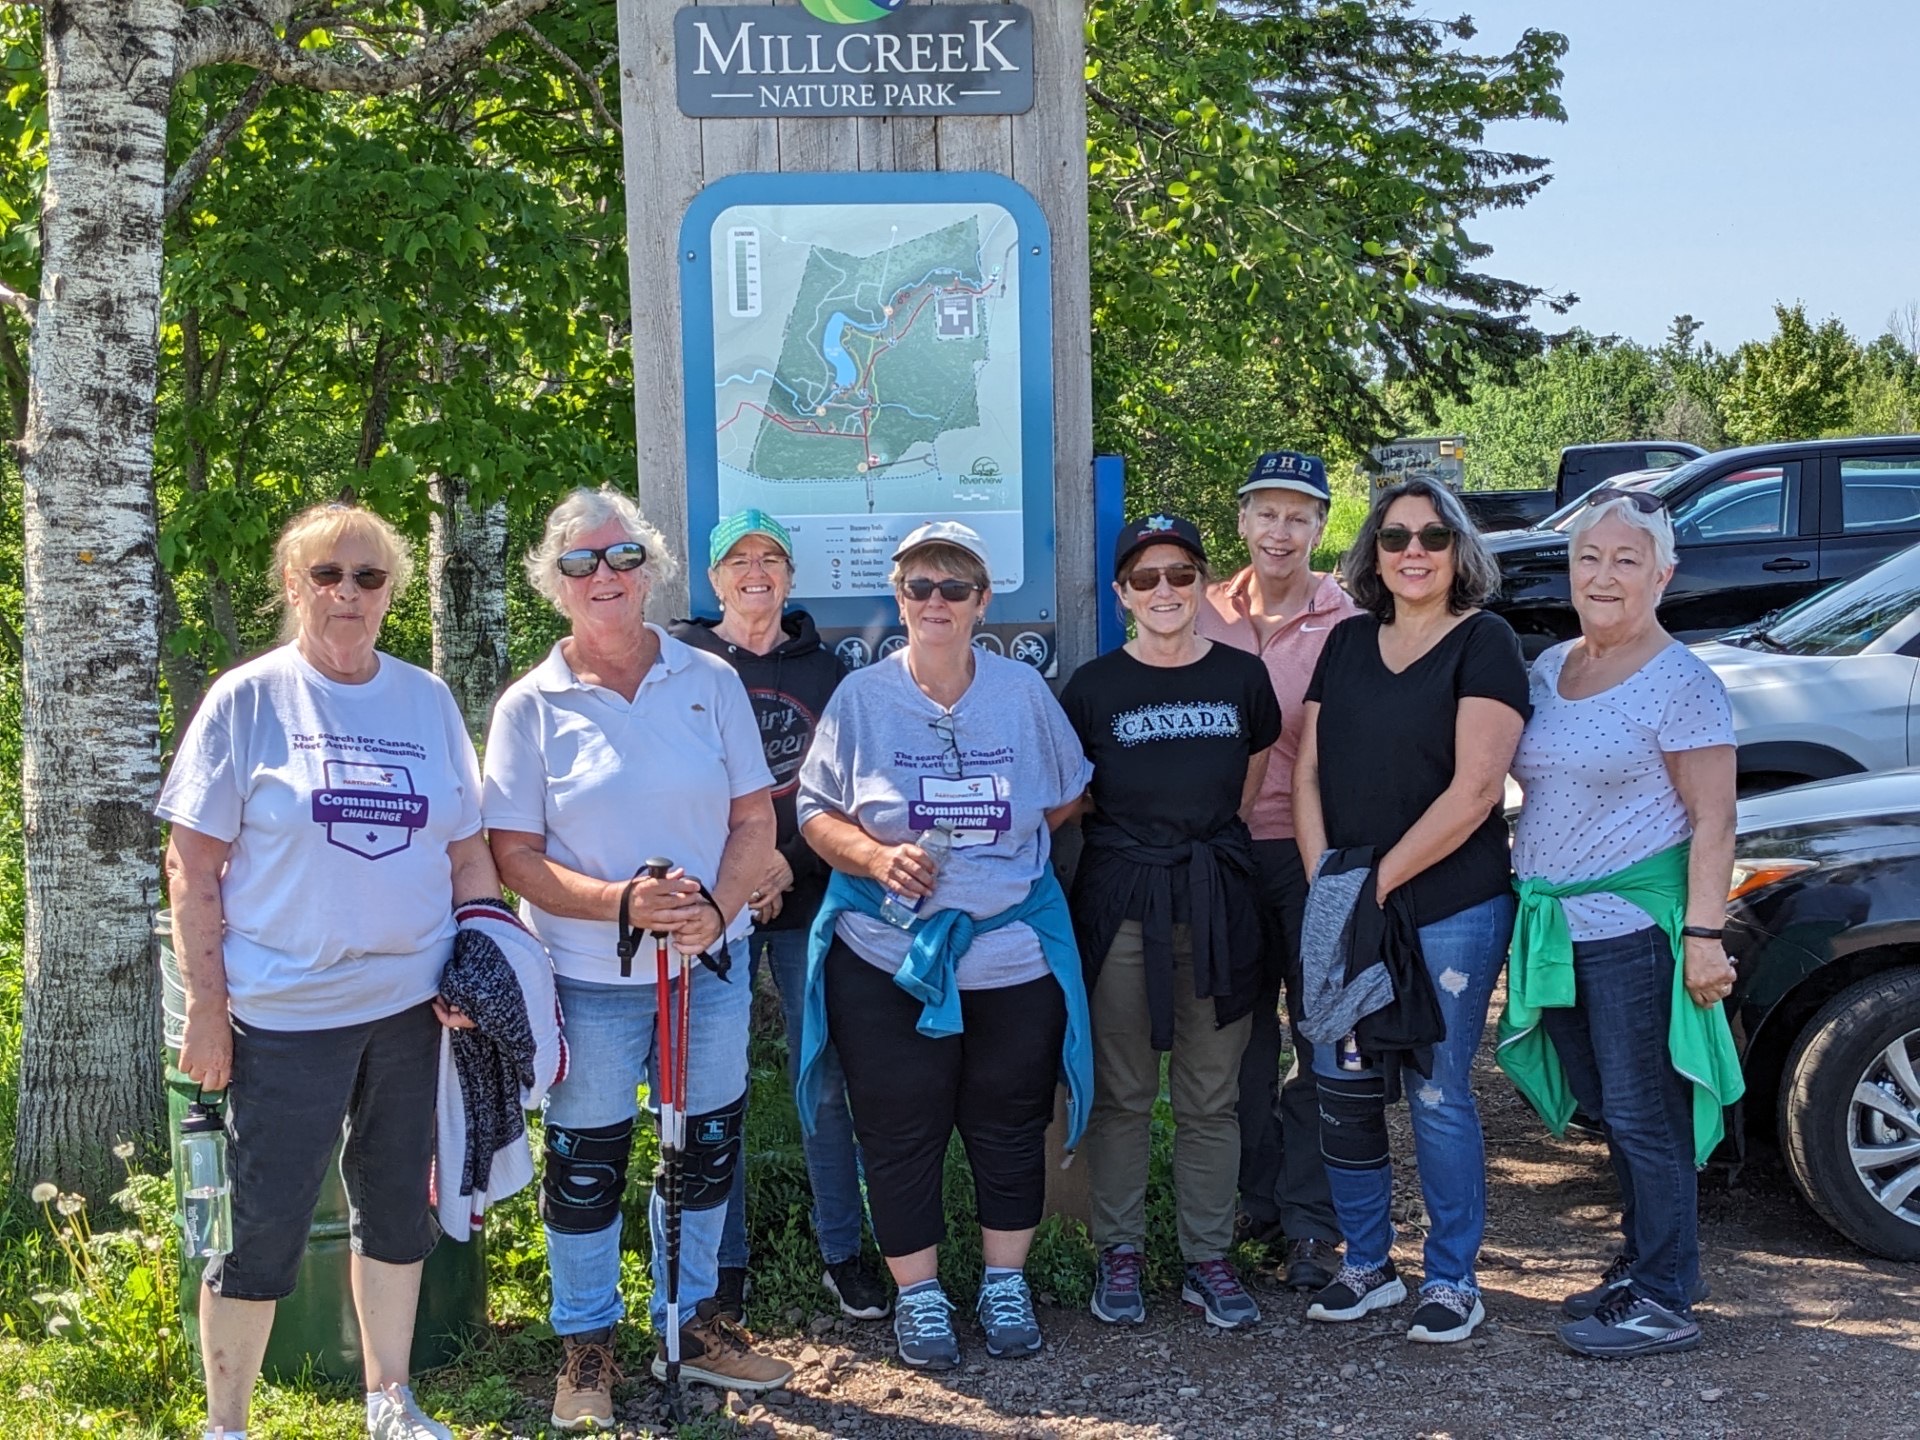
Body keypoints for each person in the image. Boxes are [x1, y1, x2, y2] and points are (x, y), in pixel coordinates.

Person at [160, 502, 496, 1440]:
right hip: (283, 1013)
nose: (348, 594)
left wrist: (480, 957)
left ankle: (388, 1397)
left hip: (410, 1008)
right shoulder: (249, 699)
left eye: (370, 577)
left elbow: (469, 853)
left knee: (395, 1211)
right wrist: (207, 1011)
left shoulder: (425, 700)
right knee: (264, 1228)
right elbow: (191, 866)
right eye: (327, 576)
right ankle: (229, 1422)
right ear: (293, 586)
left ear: (392, 593)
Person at [482, 487, 791, 1431]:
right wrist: (618, 901)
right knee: (587, 1163)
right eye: (580, 564)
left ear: (648, 570)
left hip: (709, 966)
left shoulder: (710, 681)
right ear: (555, 583)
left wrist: (716, 910)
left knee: (703, 1150)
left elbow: (753, 819)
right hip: (586, 976)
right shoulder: (530, 705)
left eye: (620, 559)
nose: (603, 577)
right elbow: (513, 855)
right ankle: (587, 1346)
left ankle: (693, 1322)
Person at [793, 521, 1093, 1372]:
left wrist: (994, 863)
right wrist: (879, 857)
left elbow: (1067, 798)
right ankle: (919, 1298)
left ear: (982, 602)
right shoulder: (861, 700)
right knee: (898, 1130)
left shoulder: (1024, 694)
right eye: (919, 588)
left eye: (953, 589)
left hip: (1009, 961)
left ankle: (1005, 1285)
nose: (935, 603)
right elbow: (814, 814)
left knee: (1006, 1125)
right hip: (887, 959)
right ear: (898, 599)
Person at [1502, 488, 1742, 1359]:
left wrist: (1704, 938)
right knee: (1605, 1101)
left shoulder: (1683, 682)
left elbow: (1714, 819)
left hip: (1634, 928)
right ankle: (1650, 1259)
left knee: (1644, 1110)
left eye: (1627, 560)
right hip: (1558, 927)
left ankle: (1666, 1295)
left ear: (1663, 574)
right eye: (1589, 559)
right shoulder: (1552, 668)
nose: (1604, 576)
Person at [1293, 477, 1530, 1345]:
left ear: (1459, 549)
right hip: (1349, 898)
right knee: (1343, 1079)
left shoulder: (1486, 643)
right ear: (1374, 554)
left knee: (1435, 1089)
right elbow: (1307, 772)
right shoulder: (1348, 642)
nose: (1414, 552)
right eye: (1395, 538)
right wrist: (1328, 879)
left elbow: (1475, 791)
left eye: (1432, 536)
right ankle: (1367, 1263)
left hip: (1448, 905)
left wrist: (1377, 882)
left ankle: (1453, 1278)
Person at [669, 509, 890, 1324]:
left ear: (791, 577)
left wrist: (778, 867)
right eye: (738, 557)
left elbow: (848, 791)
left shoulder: (829, 674)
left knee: (823, 1080)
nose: (755, 571)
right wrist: (737, 878)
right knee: (707, 1089)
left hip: (809, 895)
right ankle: (719, 1270)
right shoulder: (680, 662)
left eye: (771, 558)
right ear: (714, 577)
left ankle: (842, 1251)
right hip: (706, 906)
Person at [1061, 513, 1281, 1331]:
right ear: (1121, 593)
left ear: (1201, 583)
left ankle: (1207, 1257)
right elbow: (1077, 800)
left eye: (1181, 575)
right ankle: (1118, 1251)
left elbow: (1247, 792)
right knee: (1122, 1093)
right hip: (1123, 899)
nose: (1164, 591)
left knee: (1210, 1096)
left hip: (1216, 897)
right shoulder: (1091, 688)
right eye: (1145, 578)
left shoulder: (1241, 678)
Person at [1197, 449, 1360, 1292]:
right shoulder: (1196, 608)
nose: (1281, 530)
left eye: (1299, 515)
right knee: (1238, 1041)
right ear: (1242, 521)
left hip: (1313, 856)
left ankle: (1312, 1221)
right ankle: (1249, 1204)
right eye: (1267, 512)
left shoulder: (1349, 620)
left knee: (1321, 1036)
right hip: (1218, 855)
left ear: (1321, 527)